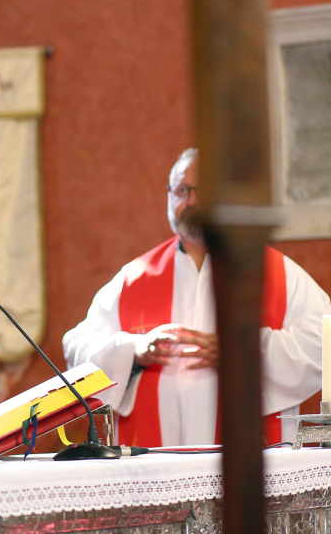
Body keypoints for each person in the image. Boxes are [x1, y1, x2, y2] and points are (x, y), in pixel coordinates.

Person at [63, 148, 330, 447]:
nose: (192, 201)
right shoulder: (133, 279)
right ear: (169, 197)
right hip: (156, 463)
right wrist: (132, 350)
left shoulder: (276, 273)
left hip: (251, 457)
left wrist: (242, 350)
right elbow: (76, 347)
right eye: (181, 190)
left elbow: (324, 342)